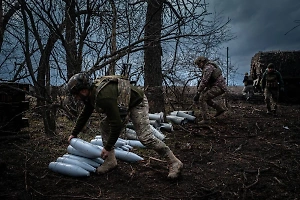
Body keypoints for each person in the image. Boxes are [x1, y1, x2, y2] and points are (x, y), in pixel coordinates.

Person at [66, 73, 183, 179]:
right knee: (104, 126)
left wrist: (107, 147)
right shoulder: (91, 95)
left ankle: (174, 162)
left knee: (145, 137)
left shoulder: (103, 97)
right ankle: (111, 161)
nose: (76, 98)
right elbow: (85, 113)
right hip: (123, 105)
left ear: (83, 91)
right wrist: (74, 133)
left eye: (76, 94)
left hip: (137, 103)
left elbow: (116, 124)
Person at [193, 56, 228, 124]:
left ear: (202, 62)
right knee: (205, 97)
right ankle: (219, 109)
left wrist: (198, 92)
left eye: (198, 64)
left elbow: (204, 81)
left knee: (202, 98)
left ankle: (206, 120)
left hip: (218, 87)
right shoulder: (209, 67)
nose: (198, 66)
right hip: (218, 86)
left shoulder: (208, 68)